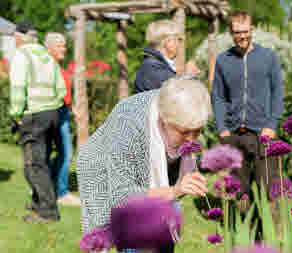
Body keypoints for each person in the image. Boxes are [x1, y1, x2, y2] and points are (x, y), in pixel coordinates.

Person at [77, 75, 211, 253]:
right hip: (102, 169)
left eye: (198, 131)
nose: (192, 139)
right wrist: (174, 191)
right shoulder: (129, 124)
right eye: (186, 132)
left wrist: (185, 181)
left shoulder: (180, 107)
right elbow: (122, 196)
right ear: (164, 120)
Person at [211, 11, 284, 208]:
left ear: (252, 30)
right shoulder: (223, 60)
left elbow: (278, 92)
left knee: (269, 190)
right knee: (238, 192)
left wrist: (271, 124)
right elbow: (217, 96)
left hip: (263, 133)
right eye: (237, 32)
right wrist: (222, 128)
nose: (242, 36)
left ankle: (272, 234)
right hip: (234, 134)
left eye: (245, 31)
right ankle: (242, 232)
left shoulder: (268, 57)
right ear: (231, 33)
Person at [9, 21, 67, 223]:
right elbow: (61, 89)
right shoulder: (46, 56)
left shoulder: (21, 55)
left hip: (33, 114)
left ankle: (48, 212)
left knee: (33, 164)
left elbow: (17, 88)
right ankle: (39, 202)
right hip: (51, 113)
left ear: (19, 37)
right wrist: (52, 107)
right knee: (41, 161)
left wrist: (16, 114)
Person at [44, 32, 81, 206]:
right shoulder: (48, 67)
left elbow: (64, 93)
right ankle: (61, 193)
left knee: (61, 152)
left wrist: (72, 108)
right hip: (55, 113)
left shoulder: (57, 66)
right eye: (59, 45)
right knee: (66, 152)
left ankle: (44, 184)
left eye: (64, 45)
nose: (64, 49)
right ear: (49, 48)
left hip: (63, 111)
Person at [134, 19, 200, 94]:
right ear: (167, 42)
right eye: (179, 39)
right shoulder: (152, 67)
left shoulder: (155, 65)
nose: (180, 44)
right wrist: (188, 76)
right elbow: (173, 96)